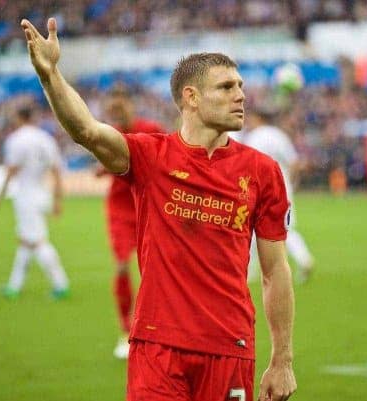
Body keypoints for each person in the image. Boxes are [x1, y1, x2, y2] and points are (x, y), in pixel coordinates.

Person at [21, 18, 296, 401]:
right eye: (226, 87)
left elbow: (275, 271)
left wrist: (282, 360)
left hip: (229, 347)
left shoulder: (262, 171)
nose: (241, 96)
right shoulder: (151, 156)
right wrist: (50, 74)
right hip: (157, 347)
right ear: (191, 98)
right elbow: (86, 130)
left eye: (241, 87)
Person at [95, 85, 165, 359]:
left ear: (129, 105)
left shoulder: (150, 128)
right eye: (111, 107)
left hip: (148, 207)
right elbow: (106, 165)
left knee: (153, 270)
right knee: (123, 265)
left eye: (119, 105)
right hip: (120, 210)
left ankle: (152, 326)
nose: (115, 111)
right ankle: (126, 330)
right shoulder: (109, 134)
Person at [0, 105, 70, 300]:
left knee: (37, 242)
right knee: (26, 241)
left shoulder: (16, 140)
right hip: (42, 193)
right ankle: (14, 287)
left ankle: (60, 284)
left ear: (19, 117)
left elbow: (11, 171)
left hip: (26, 196)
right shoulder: (46, 139)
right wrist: (58, 199)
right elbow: (57, 171)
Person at [241, 109, 314, 283]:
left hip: (258, 190)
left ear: (258, 118)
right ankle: (303, 259)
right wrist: (293, 183)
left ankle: (249, 271)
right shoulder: (279, 136)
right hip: (282, 188)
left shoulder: (254, 137)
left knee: (251, 228)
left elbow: (247, 165)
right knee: (285, 228)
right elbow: (294, 163)